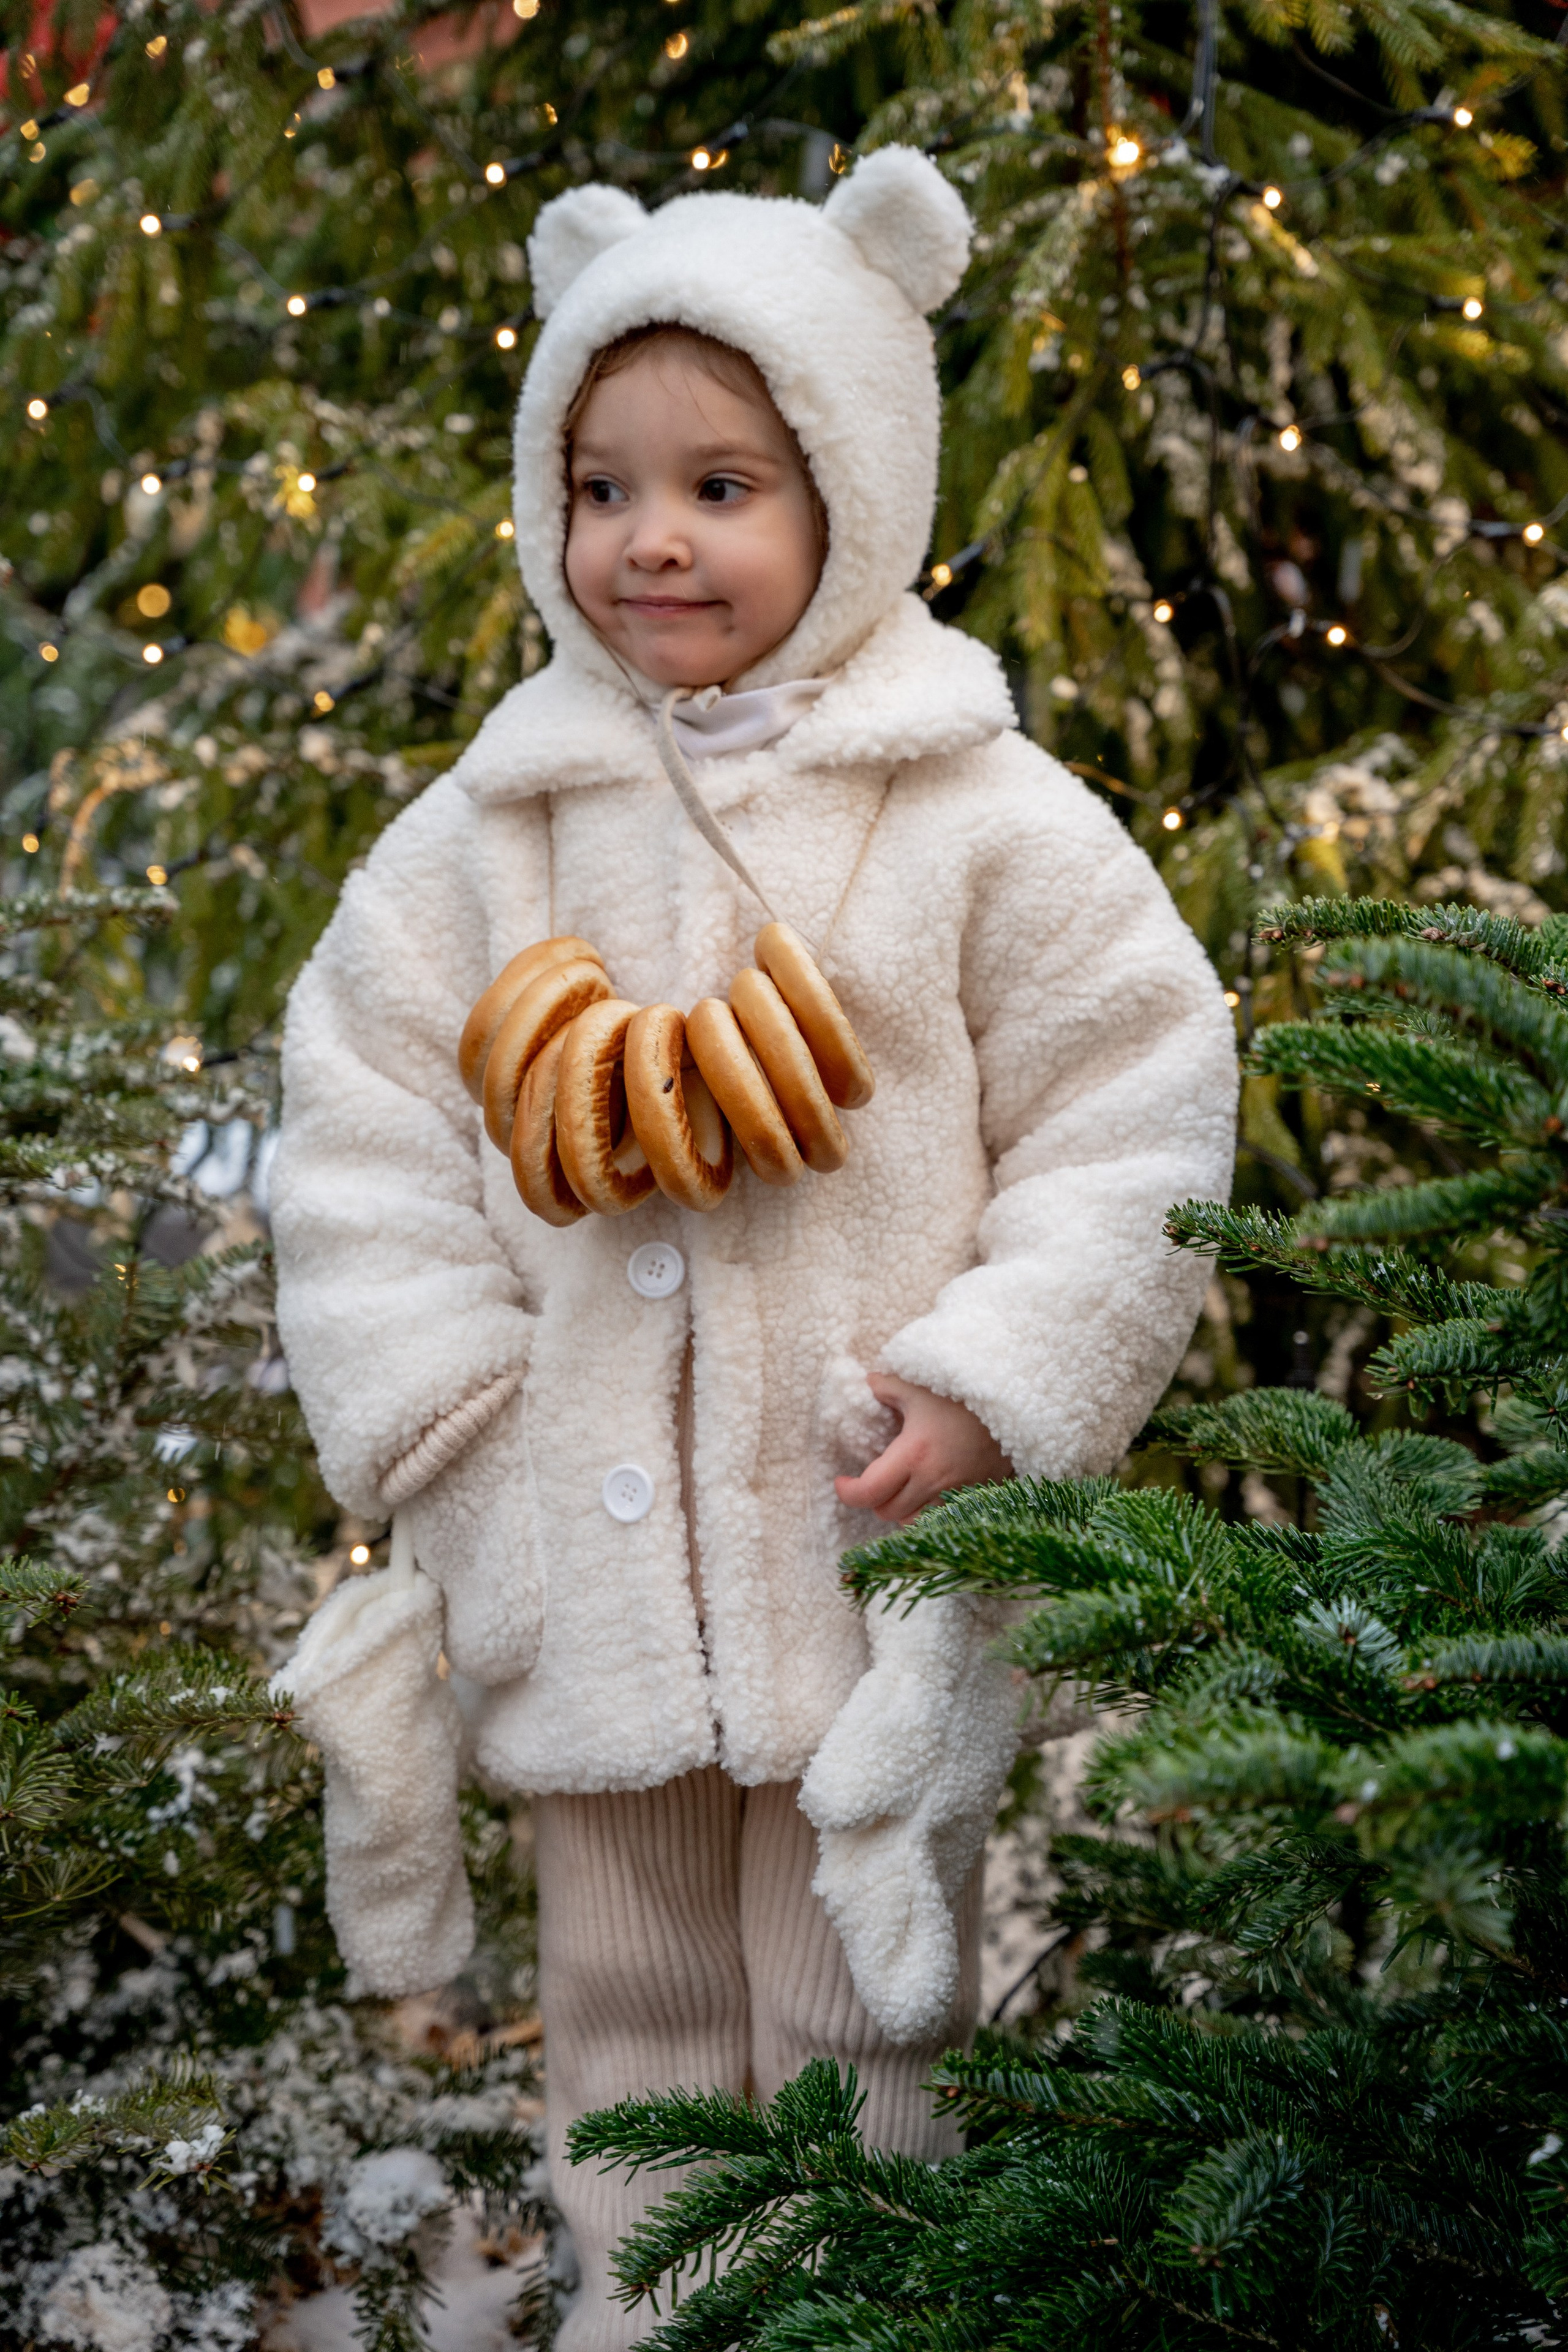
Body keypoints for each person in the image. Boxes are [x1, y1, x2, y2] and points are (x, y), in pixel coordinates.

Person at [270, 150, 1238, 2351]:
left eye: (722, 482)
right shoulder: (488, 838)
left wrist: (1001, 1377)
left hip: (856, 1522)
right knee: (627, 1997)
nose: (655, 540)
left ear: (859, 495)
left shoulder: (983, 816)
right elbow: (365, 1134)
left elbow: (1134, 1098)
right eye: (604, 489)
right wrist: (455, 1426)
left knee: (858, 1986)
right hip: (576, 1549)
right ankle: (648, 2310)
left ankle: (868, 2311)